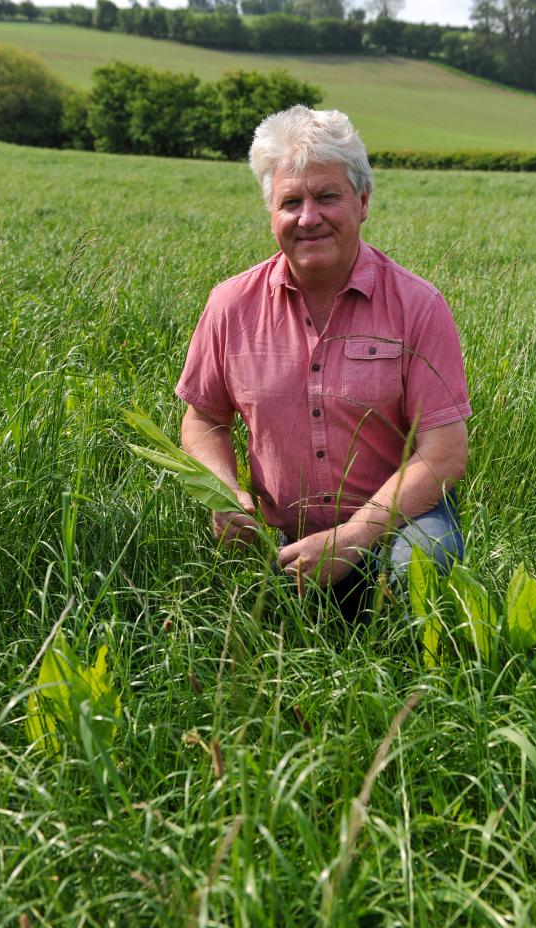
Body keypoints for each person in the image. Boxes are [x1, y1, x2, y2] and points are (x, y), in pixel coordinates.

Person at [175, 106, 471, 611]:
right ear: (271, 212)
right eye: (291, 201)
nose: (308, 217)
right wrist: (226, 494)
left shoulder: (419, 306)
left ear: (362, 202)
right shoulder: (229, 305)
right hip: (278, 538)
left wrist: (354, 535)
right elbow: (203, 420)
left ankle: (421, 679)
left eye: (327, 197)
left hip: (395, 523)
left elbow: (444, 450)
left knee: (423, 563)